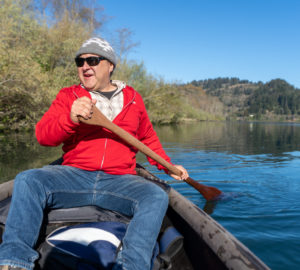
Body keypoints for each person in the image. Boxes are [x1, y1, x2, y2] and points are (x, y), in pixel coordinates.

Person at [0, 37, 188, 270]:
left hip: (120, 181)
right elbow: (43, 136)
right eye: (80, 62)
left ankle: (132, 265)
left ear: (110, 65)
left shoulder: (133, 99)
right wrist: (69, 118)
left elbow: (147, 138)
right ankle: (14, 262)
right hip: (73, 175)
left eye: (93, 60)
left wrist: (168, 166)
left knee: (156, 196)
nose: (85, 66)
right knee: (28, 180)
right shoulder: (68, 96)